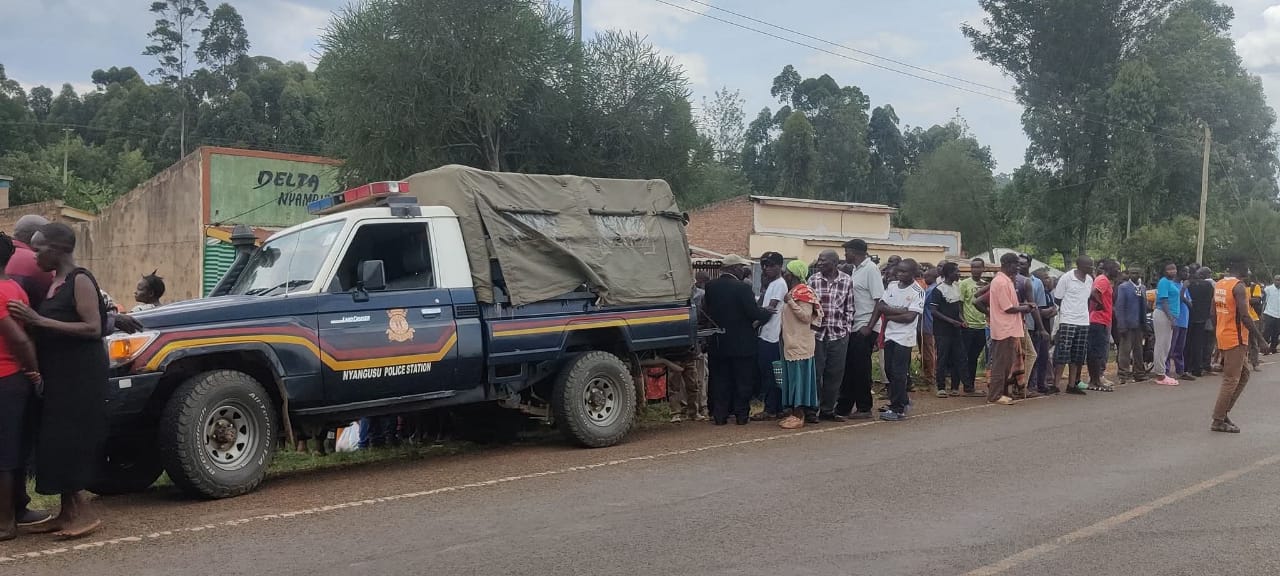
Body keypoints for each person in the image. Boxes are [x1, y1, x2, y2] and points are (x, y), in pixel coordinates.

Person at [6, 223, 109, 539]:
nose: (34, 255)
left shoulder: (80, 279)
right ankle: (66, 514)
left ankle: (84, 513)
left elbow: (93, 327)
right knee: (53, 440)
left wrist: (38, 320)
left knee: (70, 439)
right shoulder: (55, 282)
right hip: (58, 373)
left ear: (59, 249)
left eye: (39, 249)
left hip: (80, 375)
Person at [0, 234, 43, 541]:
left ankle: (5, 523)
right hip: (14, 379)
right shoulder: (15, 287)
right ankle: (17, 509)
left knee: (4, 454)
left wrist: (33, 370)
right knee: (12, 448)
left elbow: (19, 339)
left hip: (7, 378)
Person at [703, 255, 772, 425]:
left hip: (718, 342)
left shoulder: (711, 286)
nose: (742, 270)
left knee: (720, 380)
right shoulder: (742, 288)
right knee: (743, 380)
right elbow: (753, 313)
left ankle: (720, 416)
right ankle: (741, 415)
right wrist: (767, 311)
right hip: (742, 344)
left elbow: (707, 311)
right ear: (734, 268)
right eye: (741, 267)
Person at [1211, 256, 1259, 433]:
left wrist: (1218, 335)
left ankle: (1223, 413)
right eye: (1247, 269)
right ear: (1242, 269)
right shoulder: (1238, 287)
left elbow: (1213, 312)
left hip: (1224, 335)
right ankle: (1218, 419)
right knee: (1231, 380)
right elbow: (1245, 316)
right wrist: (1260, 340)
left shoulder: (1220, 284)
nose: (1248, 273)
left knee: (1244, 375)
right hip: (1235, 339)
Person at [836, 239, 883, 419]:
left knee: (861, 369)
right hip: (853, 325)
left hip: (865, 326)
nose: (845, 255)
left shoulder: (871, 270)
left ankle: (864, 407)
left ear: (855, 252)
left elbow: (879, 300)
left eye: (846, 251)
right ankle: (844, 406)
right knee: (849, 367)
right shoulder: (856, 270)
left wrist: (869, 327)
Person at [808, 250, 855, 423]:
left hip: (838, 334)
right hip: (817, 334)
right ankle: (812, 409)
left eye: (823, 260)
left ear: (834, 263)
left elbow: (849, 308)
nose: (819, 263)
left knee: (835, 374)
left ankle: (828, 409)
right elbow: (808, 306)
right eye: (819, 260)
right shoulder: (813, 280)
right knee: (815, 373)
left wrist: (847, 328)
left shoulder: (847, 280)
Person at [876, 259, 925, 421]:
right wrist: (899, 311)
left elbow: (910, 317)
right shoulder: (892, 286)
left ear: (913, 274)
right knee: (889, 370)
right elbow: (881, 306)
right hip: (890, 334)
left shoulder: (918, 291)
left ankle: (898, 408)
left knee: (898, 373)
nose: (900, 274)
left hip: (905, 337)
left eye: (904, 271)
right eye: (899, 271)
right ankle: (902, 400)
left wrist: (890, 315)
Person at [778, 260, 822, 430]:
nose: (784, 273)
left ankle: (800, 414)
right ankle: (793, 412)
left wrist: (791, 302)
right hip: (790, 341)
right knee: (791, 379)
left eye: (787, 271)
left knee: (799, 380)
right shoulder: (794, 291)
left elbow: (805, 316)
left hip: (801, 343)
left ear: (794, 274)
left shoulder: (804, 292)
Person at [987, 253, 1028, 405]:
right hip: (1004, 328)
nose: (1018, 267)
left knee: (1006, 363)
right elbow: (1008, 308)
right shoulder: (1001, 282)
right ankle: (995, 395)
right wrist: (1025, 308)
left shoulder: (1006, 281)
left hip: (1009, 328)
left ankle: (1002, 393)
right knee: (1000, 363)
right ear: (1007, 264)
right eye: (1016, 264)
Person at [750, 252, 788, 420]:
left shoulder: (779, 284)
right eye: (764, 265)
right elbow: (763, 308)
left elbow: (769, 310)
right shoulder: (771, 284)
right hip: (765, 334)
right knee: (768, 373)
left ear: (780, 266)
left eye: (771, 265)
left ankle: (771, 408)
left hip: (771, 336)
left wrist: (755, 323)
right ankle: (776, 407)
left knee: (771, 374)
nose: (767, 268)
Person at [1051, 256, 1095, 395]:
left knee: (1078, 355)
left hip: (1083, 321)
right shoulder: (1066, 278)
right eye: (1089, 266)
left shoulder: (1089, 280)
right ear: (1080, 266)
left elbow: (1087, 298)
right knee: (1063, 353)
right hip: (1068, 320)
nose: (1091, 268)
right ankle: (1055, 384)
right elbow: (1058, 299)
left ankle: (1071, 385)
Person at [928, 262, 967, 397]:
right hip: (942, 331)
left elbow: (957, 309)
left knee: (958, 357)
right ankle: (941, 387)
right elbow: (933, 311)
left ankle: (955, 386)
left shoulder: (956, 287)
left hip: (956, 329)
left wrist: (962, 320)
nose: (958, 274)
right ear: (948, 274)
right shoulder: (939, 290)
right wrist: (951, 321)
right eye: (956, 271)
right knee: (943, 358)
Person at [1086, 259, 1119, 392]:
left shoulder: (1104, 280)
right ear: (1109, 268)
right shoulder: (1103, 280)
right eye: (1116, 268)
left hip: (1102, 320)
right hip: (1097, 320)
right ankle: (1095, 380)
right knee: (1096, 352)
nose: (1118, 271)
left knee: (1097, 352)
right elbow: (1094, 293)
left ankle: (1095, 380)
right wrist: (1101, 304)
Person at [957, 259, 988, 397]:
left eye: (978, 267)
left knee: (974, 356)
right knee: (964, 356)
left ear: (983, 269)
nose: (975, 270)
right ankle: (965, 385)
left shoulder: (985, 285)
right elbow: (959, 304)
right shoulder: (964, 284)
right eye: (973, 267)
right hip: (968, 325)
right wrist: (962, 319)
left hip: (981, 325)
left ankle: (971, 385)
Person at [1114, 267, 1148, 384]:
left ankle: (1139, 373)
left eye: (1137, 273)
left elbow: (1144, 307)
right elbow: (1120, 307)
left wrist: (1145, 324)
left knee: (1139, 350)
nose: (1135, 275)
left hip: (1139, 324)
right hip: (1127, 324)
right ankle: (1123, 374)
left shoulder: (1142, 288)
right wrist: (1121, 324)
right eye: (1132, 273)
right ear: (1128, 274)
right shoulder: (1123, 287)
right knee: (1125, 350)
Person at [1152, 262, 1181, 386]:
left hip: (1169, 316)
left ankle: (1161, 371)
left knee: (1166, 345)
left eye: (1174, 269)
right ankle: (1160, 374)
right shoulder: (1163, 282)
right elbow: (1164, 301)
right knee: (1162, 344)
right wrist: (1171, 319)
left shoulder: (1171, 283)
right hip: (1163, 315)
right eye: (1169, 269)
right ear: (1165, 271)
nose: (1172, 271)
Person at [1031, 268, 1058, 393]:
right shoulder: (1035, 291)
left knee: (1044, 357)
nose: (1049, 280)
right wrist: (1048, 311)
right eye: (1046, 278)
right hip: (1038, 328)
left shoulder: (1048, 293)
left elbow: (1054, 309)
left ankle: (1043, 383)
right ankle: (1034, 383)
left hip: (1047, 328)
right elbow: (1041, 311)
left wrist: (1050, 311)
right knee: (1037, 357)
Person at [1186, 266, 1216, 377]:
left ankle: (1187, 367)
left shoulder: (1188, 284)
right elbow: (1212, 300)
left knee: (1188, 343)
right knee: (1200, 343)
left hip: (1189, 317)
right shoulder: (1209, 285)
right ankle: (1198, 369)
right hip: (1203, 317)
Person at [1170, 267, 1195, 381]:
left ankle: (1180, 371)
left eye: (1188, 272)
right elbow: (1178, 299)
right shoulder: (1172, 285)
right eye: (1185, 271)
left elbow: (1190, 303)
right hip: (1175, 320)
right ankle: (1165, 371)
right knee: (1170, 347)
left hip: (1184, 320)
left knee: (1180, 348)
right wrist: (1184, 288)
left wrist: (1184, 291)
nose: (1187, 274)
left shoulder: (1183, 287)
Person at [918, 266, 940, 393]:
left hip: (928, 325)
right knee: (930, 351)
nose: (924, 279)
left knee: (929, 352)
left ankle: (930, 378)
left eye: (927, 276)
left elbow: (921, 304)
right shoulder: (933, 288)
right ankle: (929, 375)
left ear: (933, 277)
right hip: (930, 324)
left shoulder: (931, 290)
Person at [1246, 277, 1265, 369]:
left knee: (1253, 341)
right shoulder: (1238, 286)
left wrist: (1242, 299)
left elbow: (1257, 299)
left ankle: (1255, 363)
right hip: (1241, 318)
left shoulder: (1254, 287)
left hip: (1253, 318)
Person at [1263, 275, 1280, 354]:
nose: (1278, 282)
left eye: (1279, 280)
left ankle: (1273, 349)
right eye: (1277, 280)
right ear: (1274, 280)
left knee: (1276, 333)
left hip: (1278, 315)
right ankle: (1264, 349)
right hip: (1269, 313)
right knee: (1267, 332)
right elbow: (1264, 301)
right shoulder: (1268, 289)